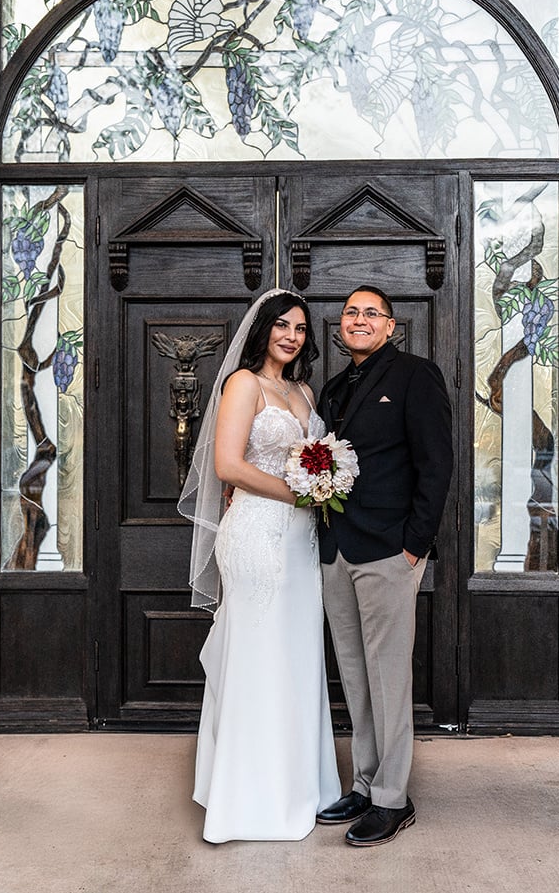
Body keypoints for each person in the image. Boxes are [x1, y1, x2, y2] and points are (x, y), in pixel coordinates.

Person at [178, 289, 341, 843]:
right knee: (258, 651)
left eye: (300, 328)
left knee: (295, 654)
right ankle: (247, 798)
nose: (292, 336)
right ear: (263, 329)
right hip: (256, 534)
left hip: (300, 541)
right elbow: (228, 464)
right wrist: (300, 495)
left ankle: (301, 785)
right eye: (282, 326)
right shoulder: (243, 383)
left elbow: (311, 460)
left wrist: (320, 489)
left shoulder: (303, 389)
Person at [316, 285, 453, 848]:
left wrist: (415, 545)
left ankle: (394, 799)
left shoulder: (416, 376)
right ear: (341, 327)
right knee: (355, 674)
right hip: (336, 550)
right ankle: (366, 782)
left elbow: (437, 463)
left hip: (389, 551)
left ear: (391, 326)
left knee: (389, 677)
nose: (360, 319)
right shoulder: (332, 387)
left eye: (371, 312)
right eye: (351, 313)